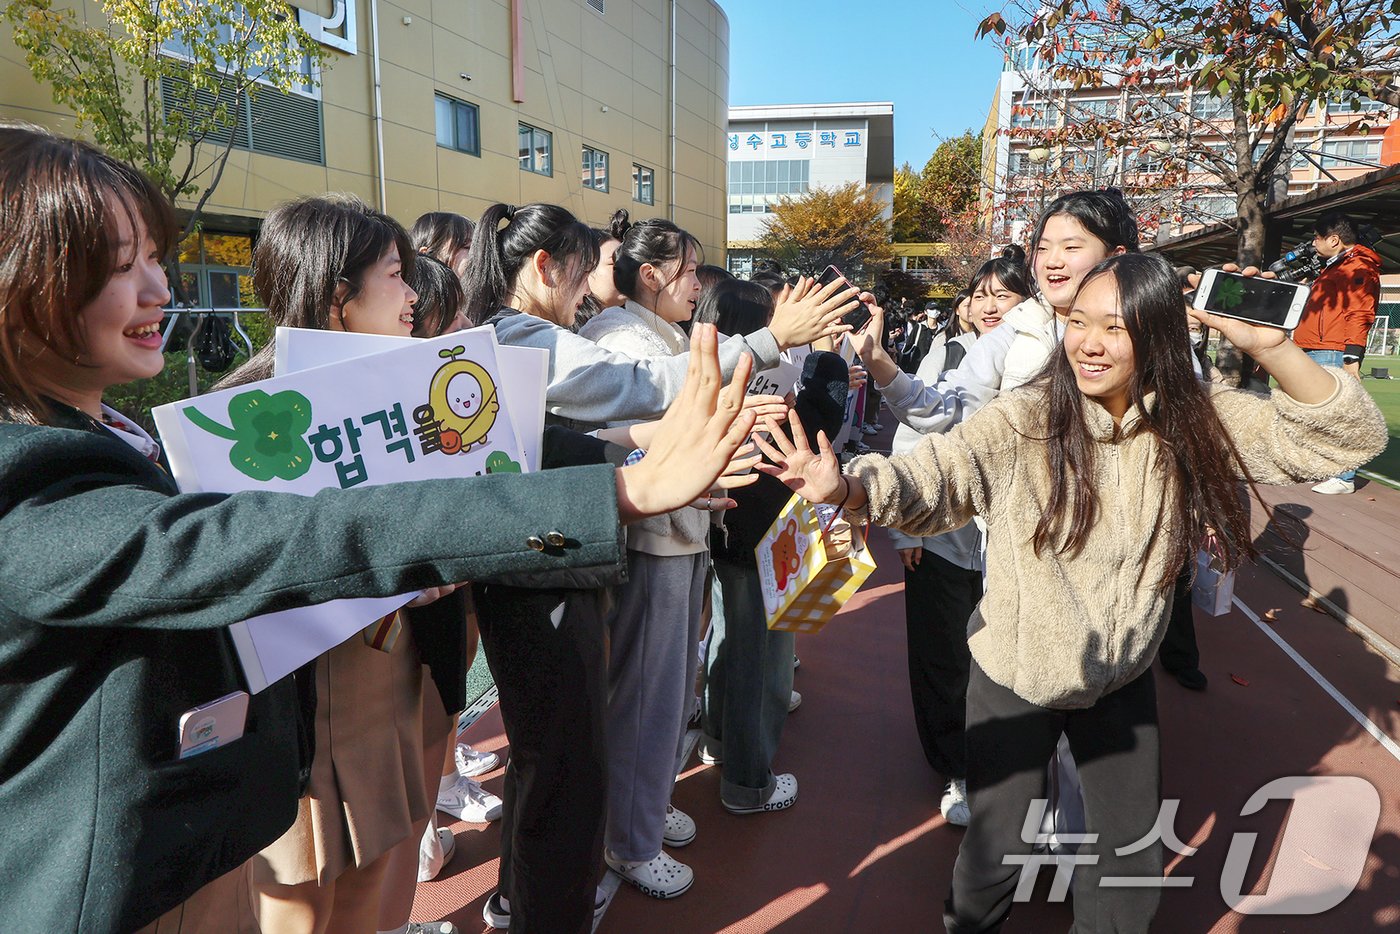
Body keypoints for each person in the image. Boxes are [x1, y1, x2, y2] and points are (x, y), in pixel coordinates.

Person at [0, 123, 758, 934]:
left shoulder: (113, 434)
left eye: (155, 257)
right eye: (123, 266)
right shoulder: (46, 474)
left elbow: (473, 468)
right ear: (26, 284)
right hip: (163, 851)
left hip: (325, 743)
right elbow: (305, 534)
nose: (161, 290)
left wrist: (620, 467)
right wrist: (619, 494)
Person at [759, 250, 1387, 932]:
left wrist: (1272, 346)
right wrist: (852, 487)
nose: (1089, 342)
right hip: (1015, 673)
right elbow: (939, 475)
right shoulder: (1024, 417)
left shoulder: (1192, 417)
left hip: (1120, 679)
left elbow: (1347, 437)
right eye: (1079, 322)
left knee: (1127, 861)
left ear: (1157, 336)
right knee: (996, 851)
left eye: (1115, 328)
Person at [464, 200, 838, 931]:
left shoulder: (544, 333)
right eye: (587, 268)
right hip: (552, 553)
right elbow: (638, 394)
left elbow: (618, 422)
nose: (595, 281)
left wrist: (692, 455)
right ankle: (571, 878)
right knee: (576, 735)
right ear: (545, 267)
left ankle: (574, 869)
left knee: (601, 722)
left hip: (577, 542)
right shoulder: (527, 338)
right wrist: (764, 345)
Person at [578, 215, 714, 899]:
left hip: (681, 526)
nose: (698, 284)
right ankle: (630, 841)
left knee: (669, 686)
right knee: (645, 692)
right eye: (689, 270)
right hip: (651, 536)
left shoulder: (663, 334)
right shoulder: (619, 339)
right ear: (652, 274)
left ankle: (646, 805)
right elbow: (618, 440)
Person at [888, 247, 1030, 828]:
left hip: (1014, 545)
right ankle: (957, 768)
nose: (991, 305)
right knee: (943, 654)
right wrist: (905, 529)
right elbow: (909, 439)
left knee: (1004, 662)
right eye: (983, 293)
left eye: (1006, 294)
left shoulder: (1049, 355)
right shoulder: (942, 358)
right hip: (944, 536)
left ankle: (1006, 764)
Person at [699, 279, 849, 817]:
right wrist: (827, 354)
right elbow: (820, 420)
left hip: (723, 534)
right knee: (757, 663)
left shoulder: (702, 370)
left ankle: (719, 742)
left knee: (728, 645)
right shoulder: (759, 382)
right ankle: (748, 781)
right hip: (763, 534)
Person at [1291, 210, 1382, 494]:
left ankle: (1344, 477)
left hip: (1332, 349)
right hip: (1316, 346)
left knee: (1337, 414)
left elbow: (1360, 311)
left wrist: (1351, 356)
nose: (1314, 243)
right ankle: (1327, 470)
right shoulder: (1335, 266)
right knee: (1315, 414)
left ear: (1333, 239)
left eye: (1317, 237)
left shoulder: (1358, 268)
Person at [410, 211, 474, 279]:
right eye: (467, 247)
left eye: (477, 248)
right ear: (427, 256)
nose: (477, 254)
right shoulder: (405, 289)